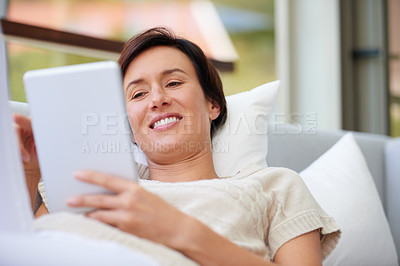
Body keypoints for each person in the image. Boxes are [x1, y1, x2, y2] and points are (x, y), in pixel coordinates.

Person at [14, 27, 340, 265]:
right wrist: (29, 170)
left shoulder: (274, 186)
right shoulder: (100, 185)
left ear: (213, 105)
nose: (157, 99)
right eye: (138, 94)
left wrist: (176, 228)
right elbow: (37, 245)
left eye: (173, 83)